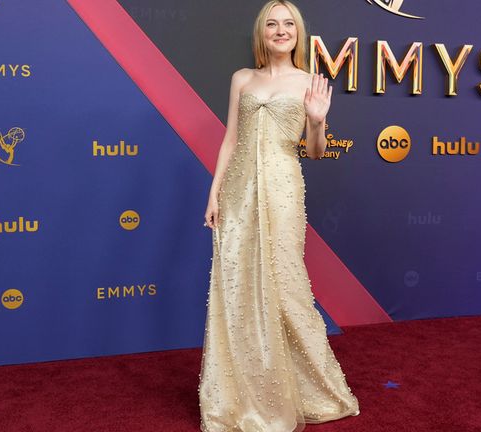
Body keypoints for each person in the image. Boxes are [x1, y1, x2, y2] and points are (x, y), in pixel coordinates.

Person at [198, 1, 360, 431]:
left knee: (284, 284)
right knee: (237, 287)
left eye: (289, 24)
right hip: (237, 192)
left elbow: (316, 152)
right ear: (261, 33)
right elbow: (230, 139)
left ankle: (313, 388)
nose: (281, 30)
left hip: (283, 188)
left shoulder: (310, 82)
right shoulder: (242, 79)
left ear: (298, 33)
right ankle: (241, 395)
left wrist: (318, 122)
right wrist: (214, 194)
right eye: (272, 23)